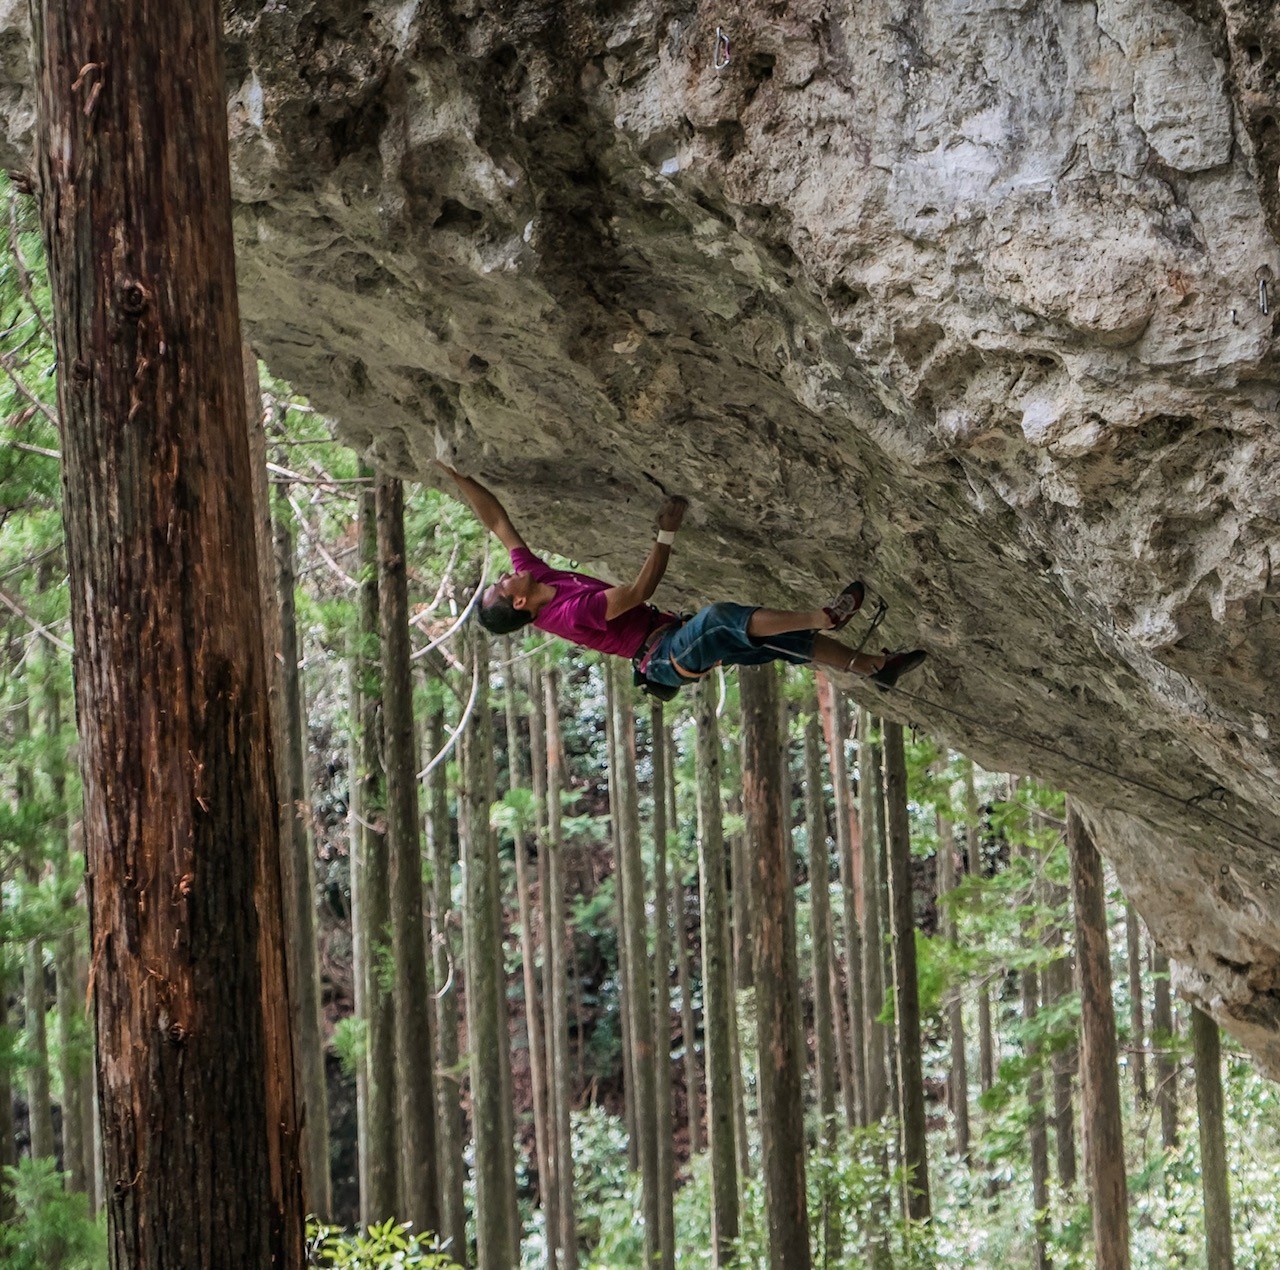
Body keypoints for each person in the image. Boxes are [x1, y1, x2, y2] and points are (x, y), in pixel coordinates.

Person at [436, 463, 926, 697]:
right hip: (666, 656)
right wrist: (666, 533)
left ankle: (876, 667)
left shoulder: (536, 578)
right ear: (519, 604)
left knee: (783, 641)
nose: (506, 575)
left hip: (670, 639)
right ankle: (825, 615)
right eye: (501, 586)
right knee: (719, 620)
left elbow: (497, 521)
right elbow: (638, 593)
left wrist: (457, 475)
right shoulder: (568, 615)